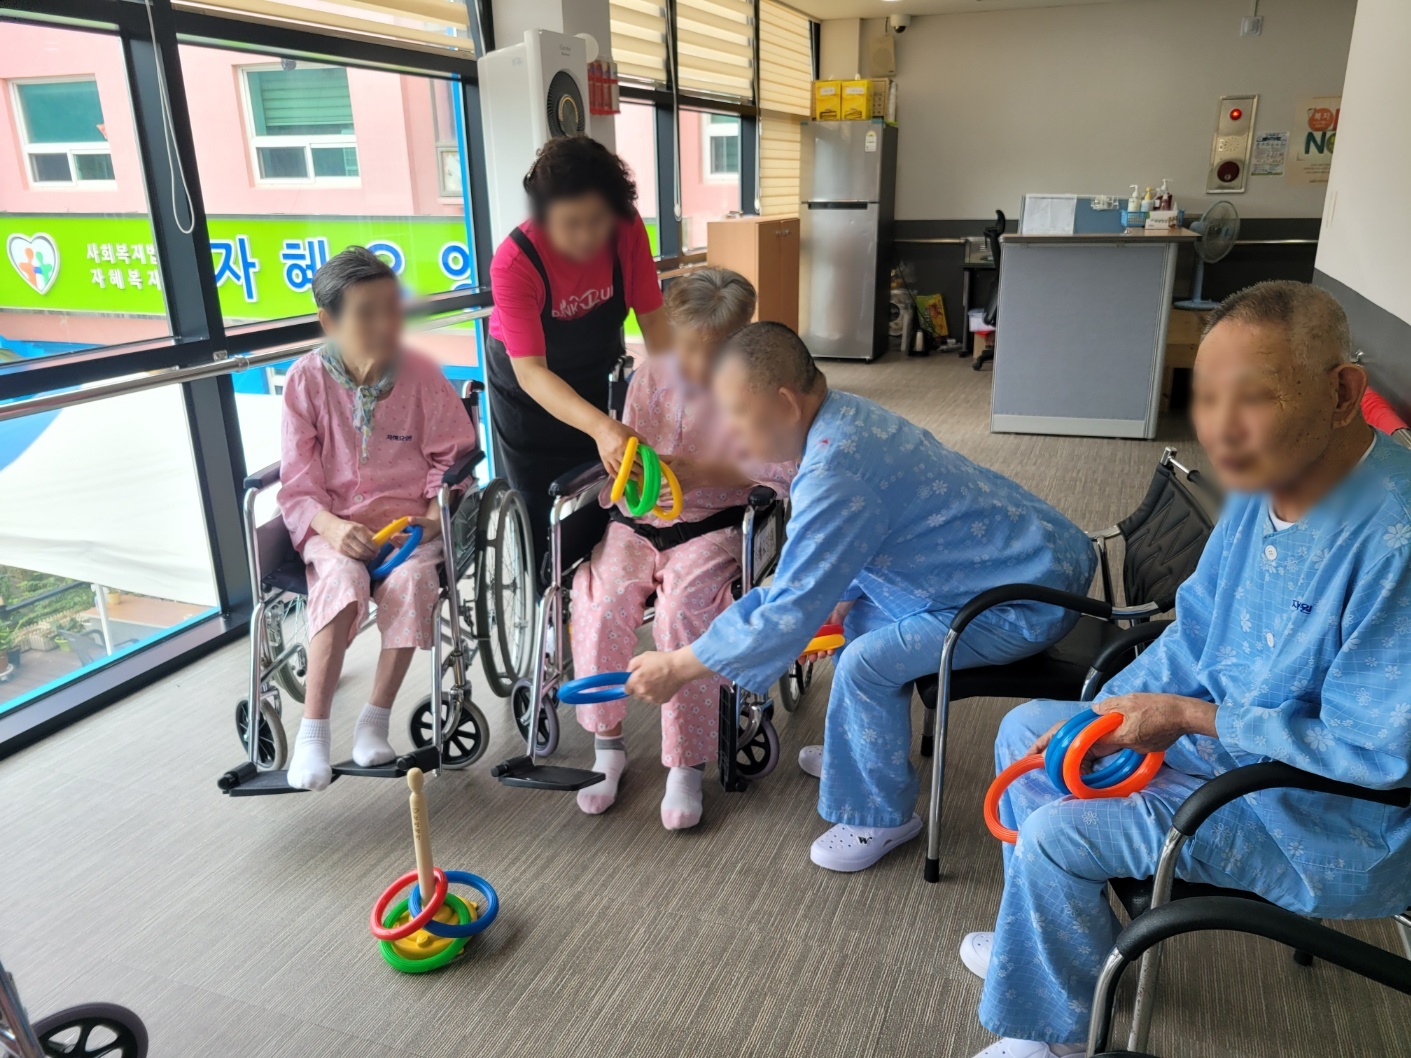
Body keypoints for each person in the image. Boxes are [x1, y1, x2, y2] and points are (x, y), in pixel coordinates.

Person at [964, 281, 1411, 1058]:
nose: (1220, 431)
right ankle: (1061, 951)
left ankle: (1054, 1034)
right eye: (1206, 398)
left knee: (1056, 832)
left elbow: (1371, 754)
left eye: (1255, 397)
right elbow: (1196, 631)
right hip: (1222, 746)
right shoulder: (1266, 479)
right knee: (1026, 731)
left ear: (1342, 394)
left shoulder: (1394, 541)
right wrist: (1105, 713)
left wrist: (1184, 717)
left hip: (1317, 810)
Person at [625, 323, 1096, 870]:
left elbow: (787, 607)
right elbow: (852, 529)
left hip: (1027, 599)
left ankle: (882, 817)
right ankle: (860, 755)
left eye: (736, 415)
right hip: (1029, 553)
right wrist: (832, 597)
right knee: (862, 619)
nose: (728, 432)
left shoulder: (835, 471)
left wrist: (678, 666)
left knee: (866, 664)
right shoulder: (842, 415)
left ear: (785, 403)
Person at [570, 268, 794, 829]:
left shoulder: (759, 387)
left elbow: (782, 469)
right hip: (637, 519)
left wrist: (703, 471)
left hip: (713, 522)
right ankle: (607, 745)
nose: (694, 362)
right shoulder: (649, 376)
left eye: (711, 351)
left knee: (683, 612)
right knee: (601, 600)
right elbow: (622, 452)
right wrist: (628, 467)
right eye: (685, 346)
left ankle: (686, 763)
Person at [278, 247, 477, 791]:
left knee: (412, 582)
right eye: (367, 313)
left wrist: (434, 513)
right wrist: (333, 528)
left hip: (408, 528)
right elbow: (297, 482)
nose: (387, 324)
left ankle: (374, 720)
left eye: (392, 308)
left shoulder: (421, 375)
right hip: (334, 525)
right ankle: (313, 733)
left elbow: (454, 455)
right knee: (342, 581)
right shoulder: (304, 381)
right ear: (329, 321)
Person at [486, 134, 672, 572]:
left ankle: (595, 592)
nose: (587, 235)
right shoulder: (515, 262)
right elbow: (531, 372)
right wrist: (601, 427)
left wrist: (678, 394)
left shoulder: (627, 230)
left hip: (595, 371)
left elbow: (655, 324)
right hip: (528, 394)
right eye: (570, 223)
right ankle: (545, 602)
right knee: (540, 513)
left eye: (597, 220)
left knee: (605, 497)